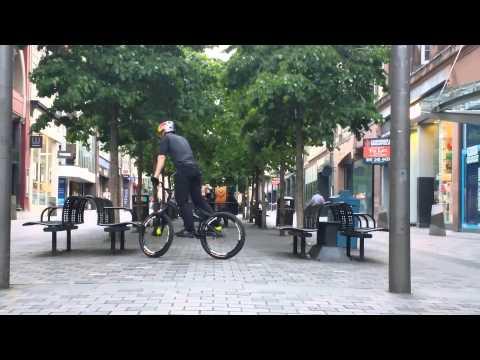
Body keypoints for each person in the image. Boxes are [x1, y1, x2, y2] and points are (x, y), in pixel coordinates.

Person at [152, 120, 219, 238]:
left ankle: (189, 229)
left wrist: (156, 176)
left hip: (183, 170)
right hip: (195, 170)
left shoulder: (166, 139)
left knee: (182, 201)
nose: (160, 135)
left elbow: (161, 158)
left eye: (161, 132)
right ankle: (214, 223)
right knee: (198, 200)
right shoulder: (183, 139)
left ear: (165, 131)